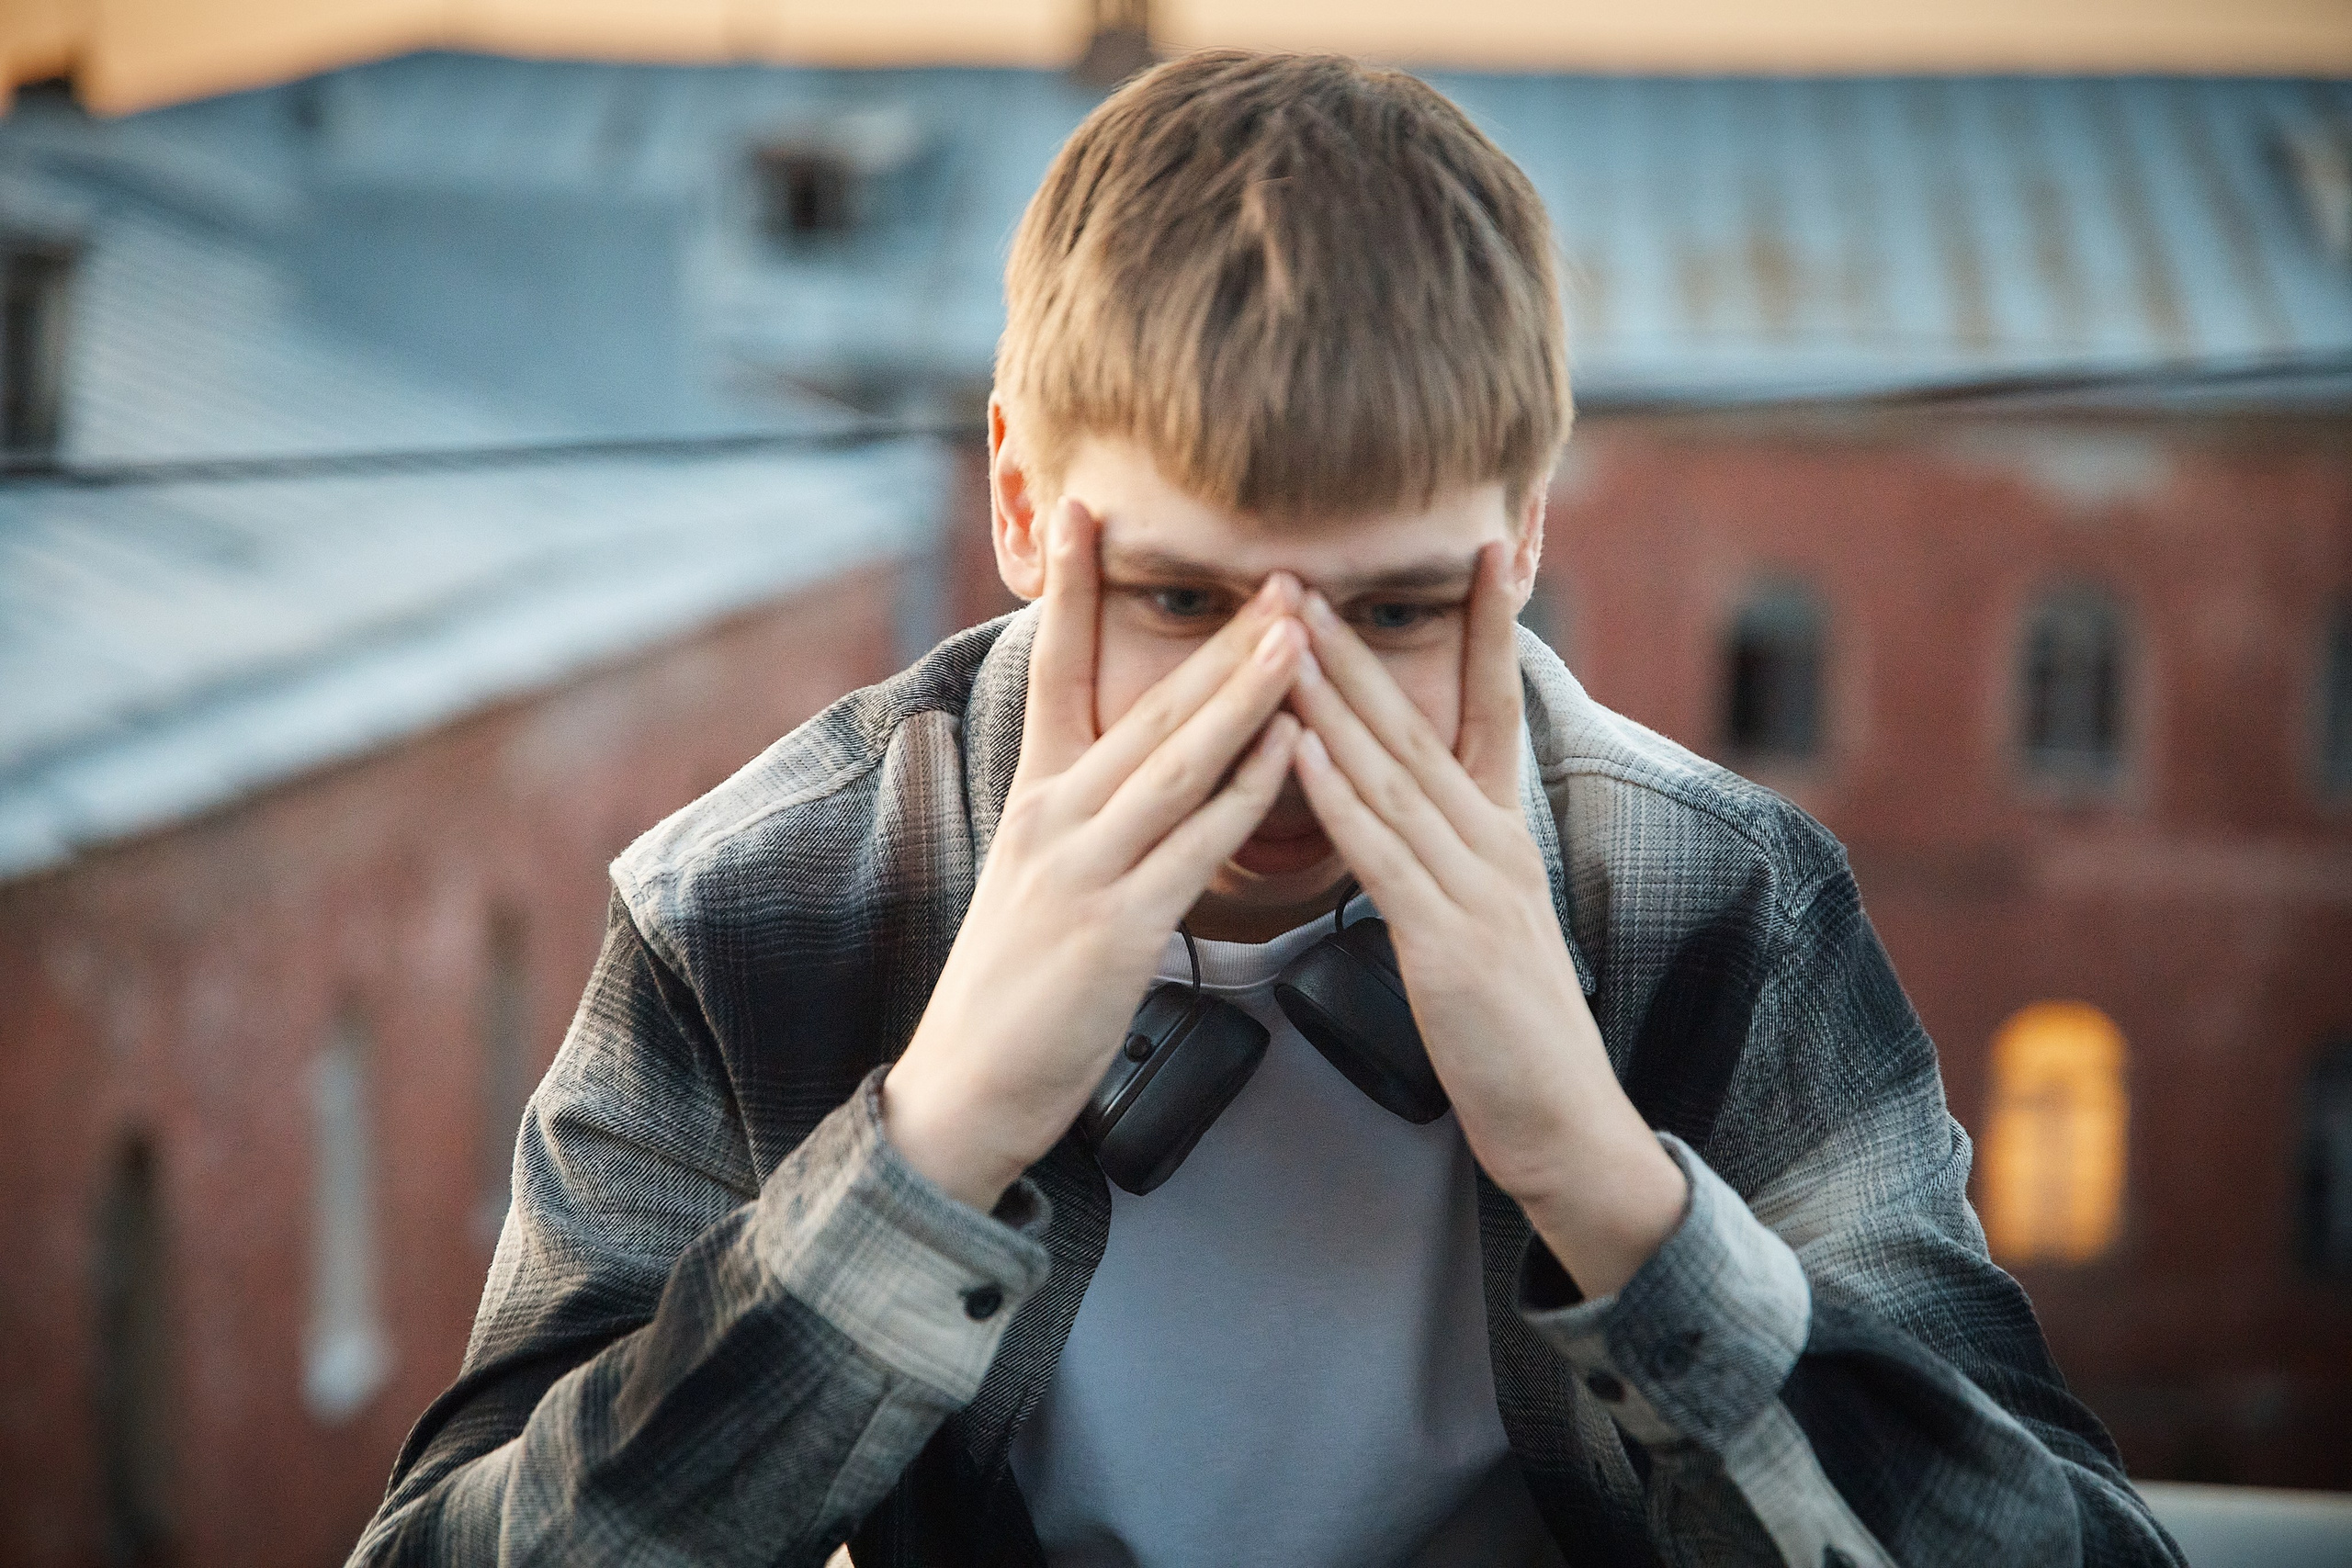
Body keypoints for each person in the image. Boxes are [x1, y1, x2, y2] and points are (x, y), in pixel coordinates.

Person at [350, 51, 2182, 1568]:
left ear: (1521, 539)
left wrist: (1602, 1177)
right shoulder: (757, 909)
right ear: (1013, 497)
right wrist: (928, 1143)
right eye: (1177, 601)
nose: (1283, 717)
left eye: (1392, 612)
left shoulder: (1721, 911)